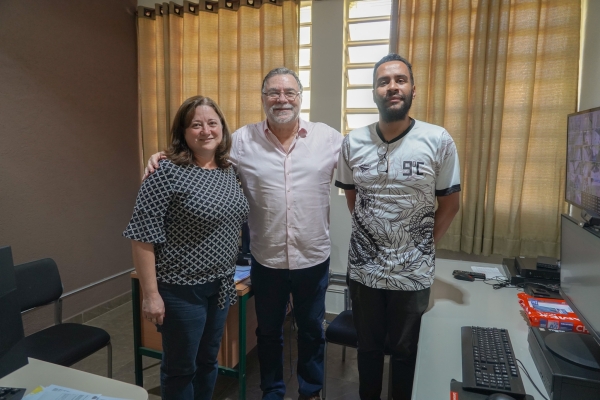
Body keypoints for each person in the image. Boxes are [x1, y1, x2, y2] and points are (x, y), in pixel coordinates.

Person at [145, 68, 343, 400]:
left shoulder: (329, 138)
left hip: (312, 257)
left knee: (311, 330)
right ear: (263, 98)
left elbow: (363, 167)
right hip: (266, 260)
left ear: (300, 97)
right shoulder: (240, 140)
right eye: (273, 93)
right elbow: (202, 153)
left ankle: (310, 391)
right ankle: (272, 391)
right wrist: (162, 155)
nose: (282, 99)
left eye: (289, 92)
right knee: (268, 333)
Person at [334, 53, 461, 400]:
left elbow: (450, 205)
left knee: (406, 354)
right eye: (383, 81)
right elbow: (353, 200)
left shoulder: (438, 140)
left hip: (413, 273)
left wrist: (422, 245)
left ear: (412, 90)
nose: (392, 87)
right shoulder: (352, 142)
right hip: (365, 272)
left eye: (400, 80)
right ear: (374, 92)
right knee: (368, 350)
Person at [124, 95, 249, 400]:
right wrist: (151, 295)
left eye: (212, 123)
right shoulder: (165, 172)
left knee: (208, 362)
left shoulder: (229, 170)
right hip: (181, 290)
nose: (206, 131)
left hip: (221, 286)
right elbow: (142, 235)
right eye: (196, 125)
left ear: (222, 128)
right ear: (183, 131)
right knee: (181, 369)